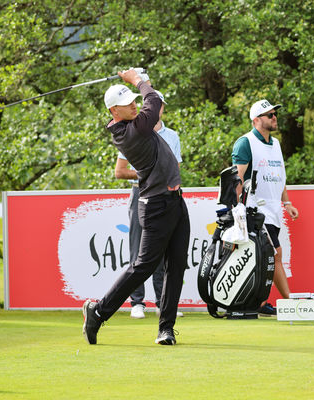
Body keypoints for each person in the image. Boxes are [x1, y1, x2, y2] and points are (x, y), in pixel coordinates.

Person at [82, 69, 190, 345]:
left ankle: (166, 329)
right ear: (113, 112)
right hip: (156, 206)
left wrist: (138, 79)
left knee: (176, 266)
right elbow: (152, 100)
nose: (133, 104)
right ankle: (98, 311)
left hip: (175, 201)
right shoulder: (135, 129)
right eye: (126, 103)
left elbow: (149, 101)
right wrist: (137, 80)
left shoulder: (131, 123)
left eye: (133, 99)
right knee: (143, 266)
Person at [114, 89, 184, 320]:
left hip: (165, 195)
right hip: (141, 193)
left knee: (162, 252)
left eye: (161, 104)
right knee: (138, 250)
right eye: (156, 103)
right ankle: (137, 302)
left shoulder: (172, 136)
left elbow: (175, 168)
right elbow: (120, 172)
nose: (158, 107)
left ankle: (162, 302)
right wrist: (148, 173)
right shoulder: (134, 130)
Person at [231, 99, 299, 316]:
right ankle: (286, 302)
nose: (274, 117)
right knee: (275, 254)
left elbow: (279, 177)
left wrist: (287, 202)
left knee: (268, 257)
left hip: (274, 210)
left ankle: (261, 303)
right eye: (269, 115)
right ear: (256, 120)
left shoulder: (276, 144)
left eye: (274, 114)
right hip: (255, 209)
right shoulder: (245, 142)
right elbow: (237, 179)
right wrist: (236, 210)